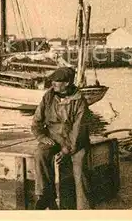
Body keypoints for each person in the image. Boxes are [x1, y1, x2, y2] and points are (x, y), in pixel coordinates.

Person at [31, 67, 92, 210]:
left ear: (67, 83)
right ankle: (45, 196)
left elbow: (78, 132)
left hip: (76, 142)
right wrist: (41, 136)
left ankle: (83, 208)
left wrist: (66, 151)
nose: (53, 83)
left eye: (57, 81)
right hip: (52, 138)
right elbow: (36, 122)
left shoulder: (80, 102)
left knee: (79, 165)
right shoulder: (48, 96)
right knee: (40, 154)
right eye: (52, 80)